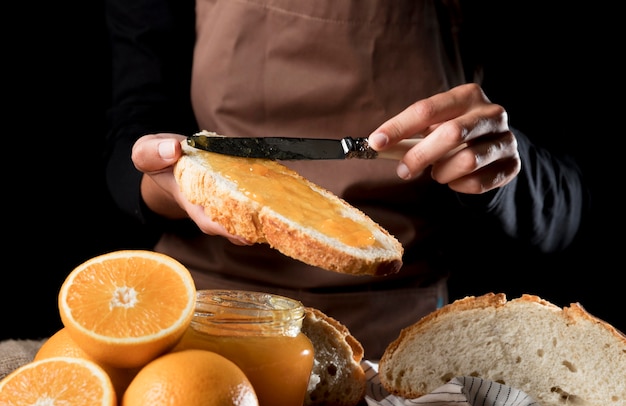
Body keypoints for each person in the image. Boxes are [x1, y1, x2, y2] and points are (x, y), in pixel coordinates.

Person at [105, 0, 585, 359]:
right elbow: (128, 137)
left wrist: (498, 170)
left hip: (405, 341)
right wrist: (170, 180)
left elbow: (567, 207)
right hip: (202, 319)